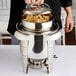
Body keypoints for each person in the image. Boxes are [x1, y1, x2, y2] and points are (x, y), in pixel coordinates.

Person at [7, 0, 74, 35]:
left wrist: (69, 13)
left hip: (51, 21)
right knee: (17, 55)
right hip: (20, 19)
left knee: (52, 52)